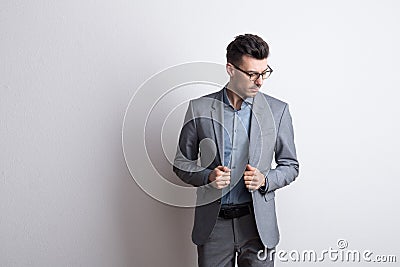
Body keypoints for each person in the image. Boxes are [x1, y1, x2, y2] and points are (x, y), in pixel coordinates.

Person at [173, 34, 299, 267]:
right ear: (230, 69)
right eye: (252, 74)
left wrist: (265, 179)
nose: (260, 81)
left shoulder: (278, 111)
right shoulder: (199, 108)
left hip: (258, 225)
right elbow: (181, 163)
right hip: (214, 226)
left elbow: (290, 166)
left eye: (264, 73)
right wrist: (207, 176)